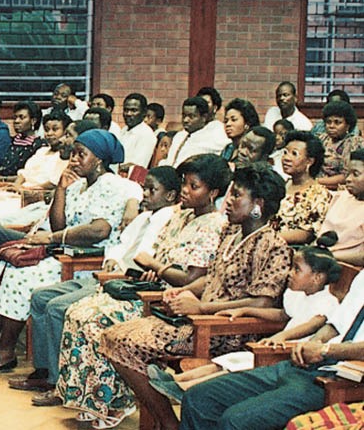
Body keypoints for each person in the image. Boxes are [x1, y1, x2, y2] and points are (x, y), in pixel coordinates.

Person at [100, 164, 292, 430]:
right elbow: (211, 278)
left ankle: (168, 421)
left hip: (226, 331)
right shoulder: (232, 232)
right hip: (199, 318)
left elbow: (263, 302)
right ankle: (165, 416)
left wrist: (203, 308)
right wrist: (183, 292)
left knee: (123, 343)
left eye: (236, 195)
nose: (228, 202)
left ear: (258, 204)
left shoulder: (272, 245)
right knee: (112, 336)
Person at [47, 155, 231, 420]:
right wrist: (152, 268)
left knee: (94, 320)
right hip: (150, 288)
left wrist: (156, 266)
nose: (185, 191)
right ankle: (86, 400)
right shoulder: (180, 216)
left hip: (168, 303)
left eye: (194, 186)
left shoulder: (215, 225)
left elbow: (192, 280)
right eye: (184, 184)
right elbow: (158, 255)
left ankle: (112, 402)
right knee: (77, 312)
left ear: (213, 193)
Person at [0, 130, 138, 374]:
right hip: (60, 251)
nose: (74, 160)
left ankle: (4, 351)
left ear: (99, 159)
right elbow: (60, 224)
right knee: (4, 264)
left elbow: (99, 230)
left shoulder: (112, 186)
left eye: (81, 154)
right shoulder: (79, 186)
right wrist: (61, 190)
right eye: (73, 154)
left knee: (22, 274)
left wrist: (53, 238)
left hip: (86, 261)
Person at [8, 166, 181, 402]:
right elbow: (121, 245)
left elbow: (148, 257)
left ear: (170, 196)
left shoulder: (170, 219)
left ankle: (62, 384)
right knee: (40, 297)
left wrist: (123, 269)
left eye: (152, 190)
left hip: (127, 283)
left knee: (58, 307)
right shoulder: (143, 217)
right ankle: (45, 371)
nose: (146, 195)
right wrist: (111, 260)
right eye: (145, 189)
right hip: (109, 274)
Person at [147, 245, 341, 403]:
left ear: (317, 277)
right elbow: (282, 314)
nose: (290, 273)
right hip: (273, 348)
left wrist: (282, 336)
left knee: (234, 369)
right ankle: (176, 380)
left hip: (288, 354)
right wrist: (245, 310)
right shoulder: (296, 295)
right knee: (224, 362)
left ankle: (184, 389)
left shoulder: (328, 302)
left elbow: (312, 325)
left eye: (297, 269)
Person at [179, 266, 364, 430]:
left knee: (236, 421)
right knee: (199, 398)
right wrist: (314, 343)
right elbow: (334, 325)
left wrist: (325, 351)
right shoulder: (362, 278)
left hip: (340, 380)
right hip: (307, 365)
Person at [0, 109, 68, 225]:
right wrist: (16, 185)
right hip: (20, 191)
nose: (49, 134)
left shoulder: (65, 156)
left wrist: (25, 190)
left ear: (65, 132)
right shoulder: (42, 151)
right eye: (46, 129)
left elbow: (52, 183)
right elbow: (24, 173)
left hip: (34, 197)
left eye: (55, 129)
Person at [275, 131, 332, 246]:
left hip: (291, 249)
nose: (286, 158)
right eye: (285, 152)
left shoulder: (318, 193)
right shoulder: (280, 185)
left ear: (309, 161)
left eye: (294, 154)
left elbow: (307, 234)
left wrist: (271, 238)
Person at [0, 100, 45, 189]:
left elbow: (31, 176)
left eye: (21, 118)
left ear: (33, 121)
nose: (16, 121)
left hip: (18, 187)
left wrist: (1, 179)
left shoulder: (39, 146)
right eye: (15, 117)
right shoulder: (9, 140)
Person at [318, 148, 364, 265]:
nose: (348, 179)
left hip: (345, 269)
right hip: (319, 257)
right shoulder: (341, 197)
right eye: (348, 174)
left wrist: (328, 256)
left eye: (355, 174)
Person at [162, 96, 230, 167]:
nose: (185, 120)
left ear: (204, 117)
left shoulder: (213, 136)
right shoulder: (179, 136)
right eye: (184, 115)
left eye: (191, 116)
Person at [315, 100, 364, 190]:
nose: (331, 126)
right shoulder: (320, 139)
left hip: (339, 190)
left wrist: (316, 182)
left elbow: (346, 176)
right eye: (328, 122)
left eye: (337, 122)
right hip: (316, 187)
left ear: (348, 125)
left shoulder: (353, 143)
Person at [118, 93, 156, 170]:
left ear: (144, 112)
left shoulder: (146, 134)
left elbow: (137, 167)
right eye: (126, 110)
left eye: (133, 110)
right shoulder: (124, 130)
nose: (128, 114)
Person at [220, 98, 260, 164]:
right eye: (226, 121)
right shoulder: (227, 149)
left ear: (247, 123)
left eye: (234, 120)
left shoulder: (251, 151)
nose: (228, 124)